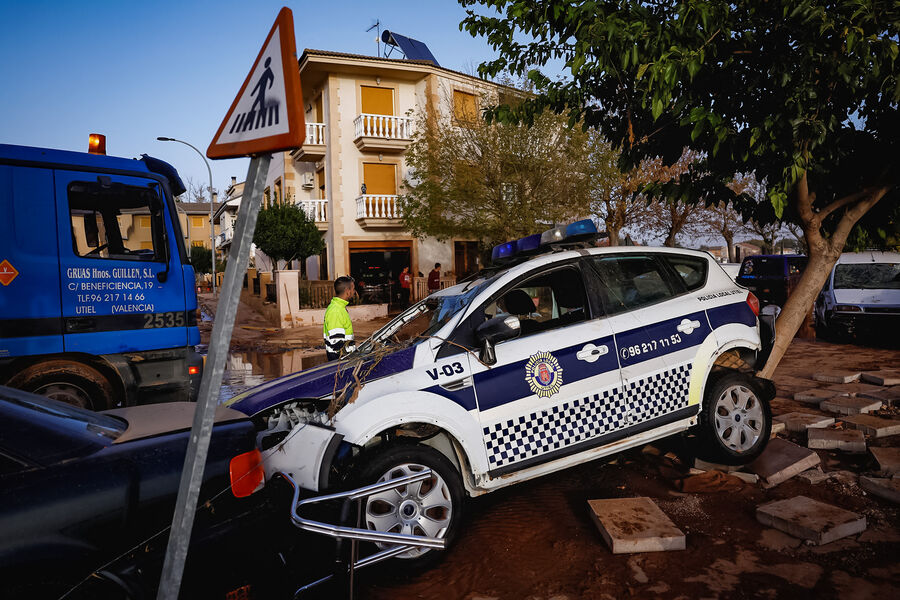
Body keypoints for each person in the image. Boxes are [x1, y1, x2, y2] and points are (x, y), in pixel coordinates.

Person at [324, 276, 356, 361]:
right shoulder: (336, 311)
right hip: (340, 363)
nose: (354, 292)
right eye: (353, 289)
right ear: (347, 291)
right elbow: (337, 345)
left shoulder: (339, 307)